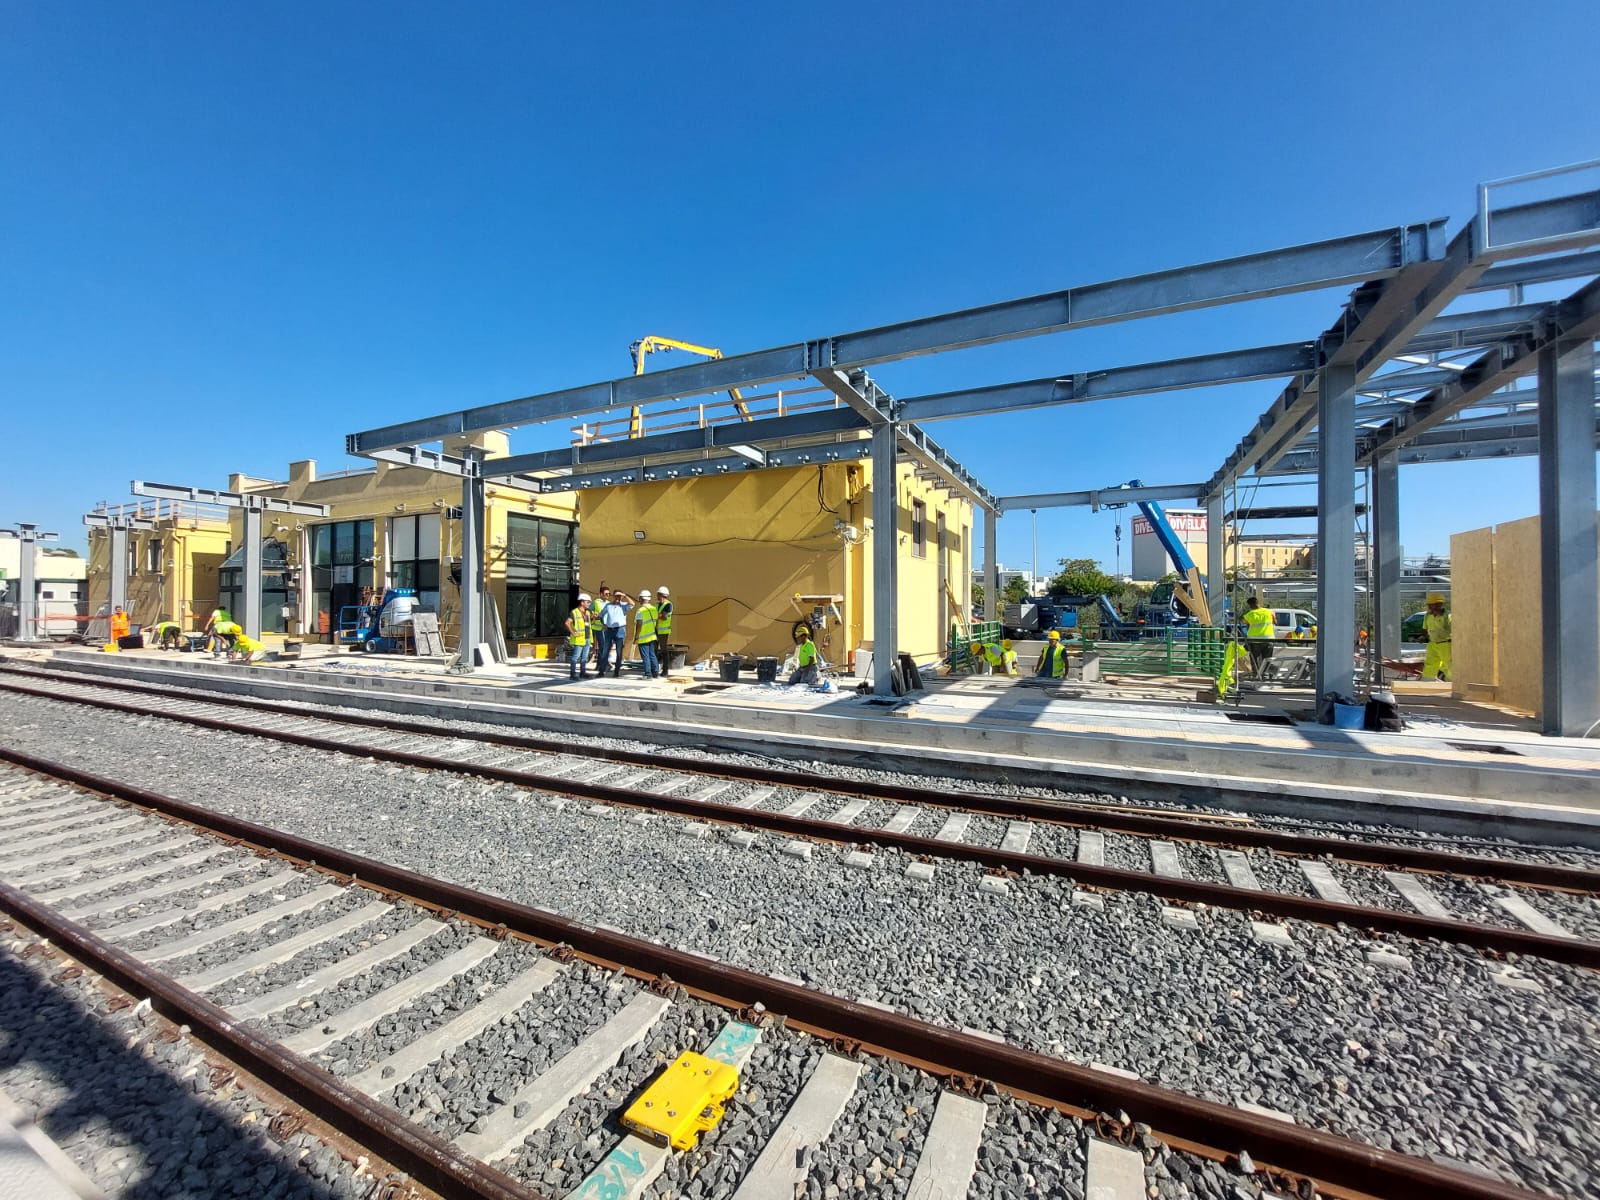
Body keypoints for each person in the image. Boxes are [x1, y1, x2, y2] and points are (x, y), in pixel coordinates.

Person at [1242, 596, 1276, 679]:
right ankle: (1265, 675)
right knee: (1267, 659)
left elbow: (1247, 627)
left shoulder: (1248, 615)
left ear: (1250, 605)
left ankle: (1256, 675)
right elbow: (1275, 622)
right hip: (1268, 640)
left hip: (1254, 641)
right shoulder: (1270, 612)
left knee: (1254, 659)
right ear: (1258, 603)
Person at [599, 590, 631, 677]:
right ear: (613, 596)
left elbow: (632, 604)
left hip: (620, 630)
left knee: (619, 651)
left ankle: (616, 672)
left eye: (619, 596)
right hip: (609, 630)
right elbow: (601, 615)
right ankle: (601, 671)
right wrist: (604, 624)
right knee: (605, 651)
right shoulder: (608, 605)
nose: (618, 598)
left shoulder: (623, 605)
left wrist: (625, 595)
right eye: (616, 596)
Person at [1422, 592, 1452, 682]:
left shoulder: (1448, 616)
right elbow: (1425, 629)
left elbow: (1453, 630)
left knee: (1449, 665)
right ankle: (1427, 682)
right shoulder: (1428, 616)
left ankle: (1453, 683)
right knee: (1430, 663)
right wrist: (1422, 637)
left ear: (1439, 604)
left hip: (1445, 644)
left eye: (1431, 605)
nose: (1429, 607)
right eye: (1429, 605)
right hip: (1432, 643)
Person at [634, 588, 661, 679]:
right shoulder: (654, 609)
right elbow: (656, 622)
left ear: (641, 598)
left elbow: (639, 624)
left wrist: (636, 637)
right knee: (652, 654)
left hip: (643, 637)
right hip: (652, 636)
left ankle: (648, 674)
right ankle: (655, 672)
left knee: (645, 656)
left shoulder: (640, 611)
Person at [566, 593, 593, 680]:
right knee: (575, 657)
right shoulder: (574, 612)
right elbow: (567, 623)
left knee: (585, 657)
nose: (589, 604)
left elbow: (588, 624)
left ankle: (583, 672)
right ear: (582, 602)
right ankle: (572, 674)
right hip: (579, 638)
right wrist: (573, 633)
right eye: (588, 602)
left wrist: (595, 618)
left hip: (587, 637)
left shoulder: (588, 613)